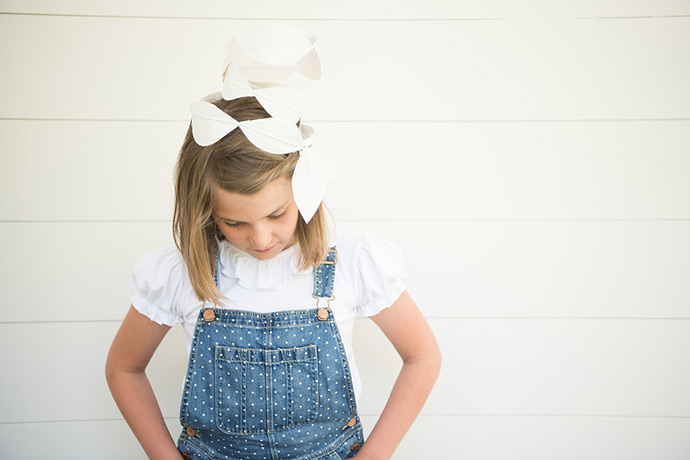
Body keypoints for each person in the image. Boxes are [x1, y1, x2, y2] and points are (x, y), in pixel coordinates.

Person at [105, 25, 441, 460]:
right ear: (205, 212)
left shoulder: (356, 261)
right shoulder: (180, 274)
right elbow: (124, 368)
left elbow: (423, 356)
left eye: (277, 214)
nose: (260, 238)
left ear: (307, 189)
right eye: (233, 222)